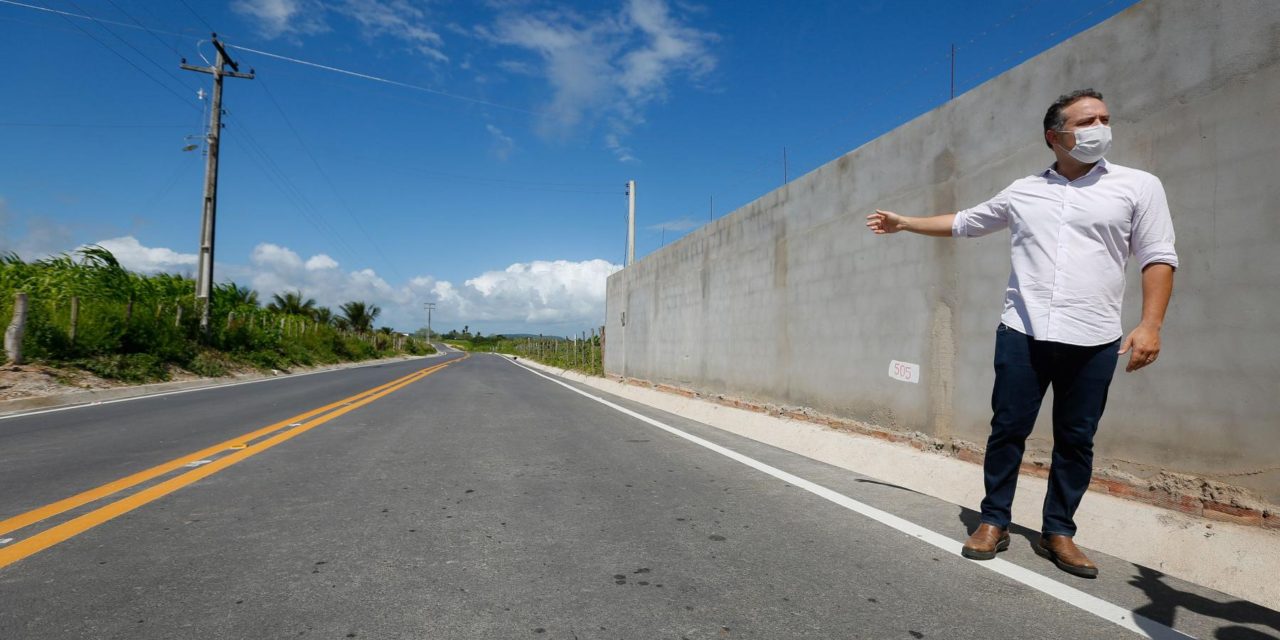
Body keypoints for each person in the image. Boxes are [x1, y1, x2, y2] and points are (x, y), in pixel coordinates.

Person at [865, 89, 1177, 578]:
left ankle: (1060, 531)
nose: (1100, 126)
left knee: (1076, 438)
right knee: (1007, 429)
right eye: (1086, 120)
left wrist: (1151, 325)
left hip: (1094, 338)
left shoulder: (1138, 186)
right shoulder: (1023, 190)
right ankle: (993, 521)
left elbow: (1158, 255)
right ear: (1055, 137)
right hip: (1022, 332)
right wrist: (907, 222)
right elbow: (967, 222)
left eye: (1104, 117)